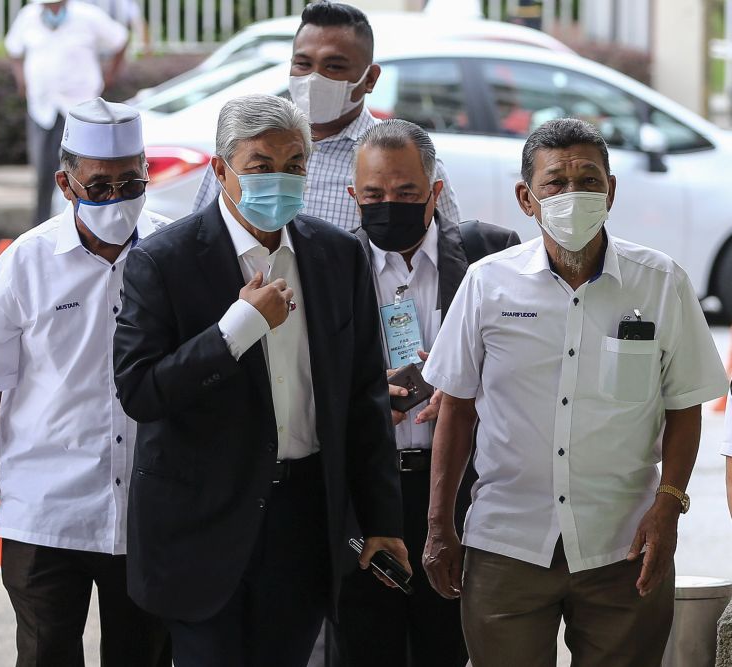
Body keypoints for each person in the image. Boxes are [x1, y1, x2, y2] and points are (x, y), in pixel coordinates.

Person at [113, 93, 407, 666]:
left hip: (303, 517)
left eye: (295, 164)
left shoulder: (338, 255)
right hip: (202, 523)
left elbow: (363, 396)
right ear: (221, 170)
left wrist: (380, 521)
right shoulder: (163, 260)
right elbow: (141, 391)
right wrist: (236, 328)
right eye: (261, 166)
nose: (282, 179)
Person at [421, 118, 727, 666]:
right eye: (555, 183)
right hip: (506, 543)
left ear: (611, 190)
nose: (573, 194)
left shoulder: (661, 282)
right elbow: (457, 411)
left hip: (626, 545)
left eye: (588, 180)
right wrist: (440, 527)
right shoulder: (488, 284)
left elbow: (685, 405)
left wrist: (668, 507)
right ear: (526, 197)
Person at [0, 97, 170, 666]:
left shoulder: (173, 251)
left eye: (130, 183)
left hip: (147, 505)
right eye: (99, 186)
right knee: (45, 653)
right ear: (65, 182)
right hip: (46, 505)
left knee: (146, 653)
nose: (116, 199)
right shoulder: (26, 261)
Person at [336, 118, 518, 666]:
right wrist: (366, 402)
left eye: (406, 193)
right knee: (366, 646)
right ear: (353, 196)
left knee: (450, 644)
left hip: (461, 487)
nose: (389, 203)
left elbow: (524, 366)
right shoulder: (330, 263)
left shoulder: (491, 255)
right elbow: (307, 380)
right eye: (374, 194)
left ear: (435, 191)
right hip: (368, 492)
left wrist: (467, 395)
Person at [193, 2, 461, 231]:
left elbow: (446, 255)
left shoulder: (409, 160)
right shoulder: (241, 149)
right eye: (303, 64)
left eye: (333, 66)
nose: (314, 78)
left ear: (370, 79)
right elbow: (200, 239)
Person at [6, 0, 129, 225]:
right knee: (44, 175)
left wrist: (109, 77)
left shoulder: (88, 16)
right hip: (42, 108)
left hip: (80, 109)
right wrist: (22, 81)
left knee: (84, 172)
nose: (51, 9)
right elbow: (14, 50)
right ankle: (42, 226)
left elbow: (119, 40)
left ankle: (85, 224)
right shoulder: (28, 16)